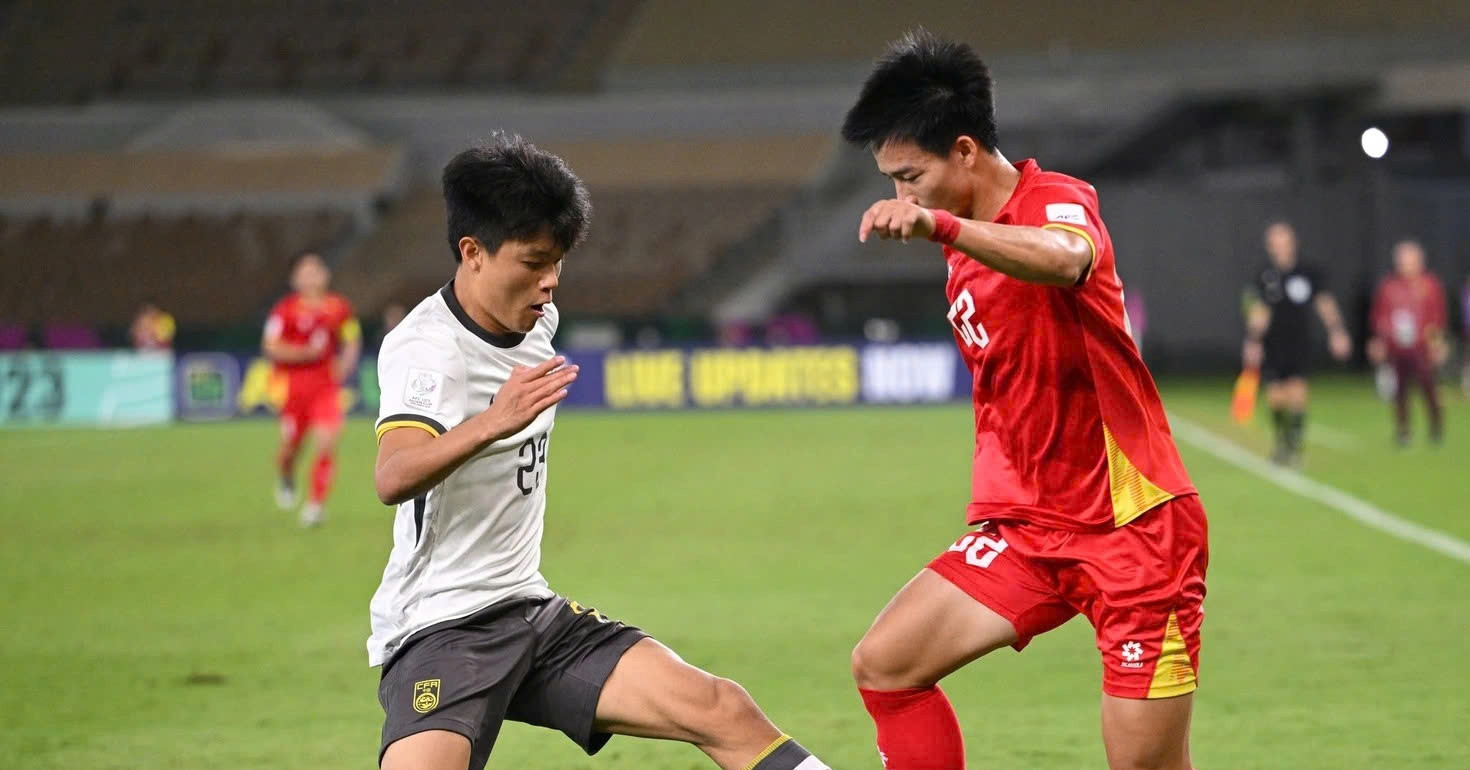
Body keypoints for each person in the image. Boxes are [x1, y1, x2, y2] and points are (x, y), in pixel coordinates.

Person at [368, 134, 830, 770]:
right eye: (534, 263)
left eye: (558, 263)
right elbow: (392, 476)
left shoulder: (538, 323)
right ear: (472, 253)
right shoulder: (427, 350)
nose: (550, 283)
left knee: (723, 709)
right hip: (443, 628)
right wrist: (493, 422)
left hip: (529, 612)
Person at [840, 30, 1208, 770]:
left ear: (964, 151)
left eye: (910, 177)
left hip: (1131, 530)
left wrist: (944, 223)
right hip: (1030, 530)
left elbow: (1066, 258)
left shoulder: (1057, 201)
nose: (902, 197)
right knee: (886, 665)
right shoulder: (963, 246)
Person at [261, 252, 361, 526]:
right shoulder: (285, 310)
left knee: (326, 443)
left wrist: (346, 364)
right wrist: (304, 353)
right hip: (294, 389)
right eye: (305, 272)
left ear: (325, 275)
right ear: (295, 279)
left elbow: (351, 338)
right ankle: (286, 475)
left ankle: (316, 506)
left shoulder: (339, 308)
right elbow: (270, 346)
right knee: (290, 448)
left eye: (315, 271)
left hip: (326, 387)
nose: (311, 277)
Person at [1242, 221, 1352, 465]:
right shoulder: (1265, 275)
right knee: (1275, 397)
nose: (1280, 247)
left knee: (1298, 393)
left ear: (1293, 243)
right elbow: (1259, 312)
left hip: (1298, 342)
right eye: (1275, 243)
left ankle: (1294, 446)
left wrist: (1337, 332)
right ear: (1270, 247)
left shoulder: (1307, 273)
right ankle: (1281, 442)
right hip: (1273, 343)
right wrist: (1253, 341)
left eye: (1284, 241)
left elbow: (1325, 304)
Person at [1367, 240, 1448, 445]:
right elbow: (1379, 315)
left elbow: (1437, 316)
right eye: (1402, 260)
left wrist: (1436, 343)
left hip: (1421, 345)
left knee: (1428, 386)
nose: (1405, 265)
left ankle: (1436, 426)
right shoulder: (1389, 286)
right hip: (1397, 346)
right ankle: (1403, 430)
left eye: (1409, 260)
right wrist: (1380, 340)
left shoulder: (1429, 284)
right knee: (1399, 390)